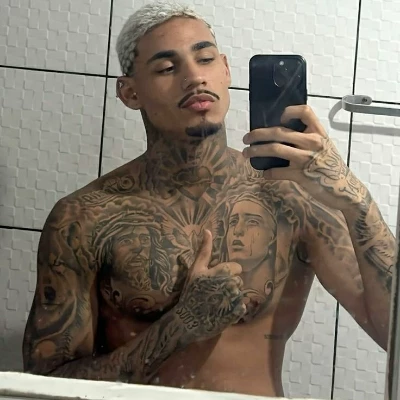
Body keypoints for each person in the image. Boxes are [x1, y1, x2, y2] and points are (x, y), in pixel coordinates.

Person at [22, 1, 395, 397]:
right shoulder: (84, 218)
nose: (195, 77)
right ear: (129, 92)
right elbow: (44, 386)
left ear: (226, 70)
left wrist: (356, 200)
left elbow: (393, 335)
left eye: (205, 58)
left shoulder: (293, 198)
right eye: (168, 68)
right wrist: (179, 326)